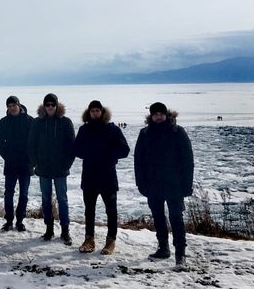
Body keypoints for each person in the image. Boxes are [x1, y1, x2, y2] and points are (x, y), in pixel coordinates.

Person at [134, 102, 194, 268]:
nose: (158, 117)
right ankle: (163, 248)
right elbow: (138, 160)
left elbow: (188, 159)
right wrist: (141, 183)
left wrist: (187, 184)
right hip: (153, 183)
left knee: (176, 217)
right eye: (155, 114)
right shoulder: (145, 133)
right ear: (151, 116)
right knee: (158, 216)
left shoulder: (177, 132)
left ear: (166, 115)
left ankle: (180, 253)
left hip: (174, 183)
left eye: (161, 114)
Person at [74, 101, 129, 255]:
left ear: (102, 112)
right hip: (89, 175)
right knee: (89, 210)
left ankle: (111, 240)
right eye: (92, 111)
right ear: (89, 113)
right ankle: (89, 239)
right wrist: (89, 153)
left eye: (97, 110)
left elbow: (125, 150)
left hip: (107, 176)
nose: (95, 113)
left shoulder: (112, 129)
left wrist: (108, 153)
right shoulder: (84, 130)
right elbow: (76, 149)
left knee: (111, 210)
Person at [28, 93, 75, 245]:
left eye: (52, 104)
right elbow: (31, 144)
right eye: (47, 104)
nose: (50, 107)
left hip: (60, 168)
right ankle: (49, 229)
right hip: (44, 168)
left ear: (56, 105)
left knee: (62, 199)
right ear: (44, 106)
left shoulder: (65, 122)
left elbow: (71, 146)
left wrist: (66, 164)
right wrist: (35, 163)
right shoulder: (37, 122)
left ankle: (65, 230)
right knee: (46, 199)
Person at [0, 95, 33, 232]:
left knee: (24, 194)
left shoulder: (30, 121)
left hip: (26, 164)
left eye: (14, 105)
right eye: (9, 106)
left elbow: (34, 142)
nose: (12, 108)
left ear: (19, 105)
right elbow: (0, 143)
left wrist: (31, 159)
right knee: (8, 194)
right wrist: (7, 157)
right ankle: (9, 220)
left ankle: (20, 220)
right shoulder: (4, 122)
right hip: (11, 163)